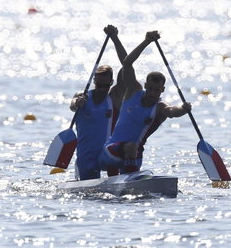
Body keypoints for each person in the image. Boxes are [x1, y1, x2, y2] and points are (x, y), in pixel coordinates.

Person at [98, 31, 192, 175]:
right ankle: (122, 177)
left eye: (157, 90)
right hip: (110, 152)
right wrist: (146, 41)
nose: (153, 94)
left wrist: (184, 108)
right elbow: (127, 63)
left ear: (162, 90)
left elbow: (173, 112)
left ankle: (117, 184)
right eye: (151, 89)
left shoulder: (160, 108)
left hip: (134, 155)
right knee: (130, 147)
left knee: (132, 151)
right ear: (145, 86)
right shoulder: (133, 91)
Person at [68, 24, 128, 180]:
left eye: (106, 85)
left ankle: (117, 182)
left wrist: (115, 38)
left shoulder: (114, 96)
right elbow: (73, 104)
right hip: (86, 156)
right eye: (99, 85)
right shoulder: (82, 96)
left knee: (114, 159)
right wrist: (77, 102)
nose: (102, 89)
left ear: (111, 83)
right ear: (94, 81)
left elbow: (127, 65)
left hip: (107, 154)